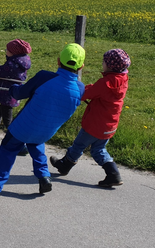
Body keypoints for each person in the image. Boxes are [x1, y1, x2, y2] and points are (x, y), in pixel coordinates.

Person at [0, 43, 85, 197]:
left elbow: (19, 94)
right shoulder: (80, 88)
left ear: (58, 61)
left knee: (7, 151)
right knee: (37, 147)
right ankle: (44, 177)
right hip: (46, 131)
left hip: (22, 127)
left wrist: (12, 88)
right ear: (81, 66)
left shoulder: (44, 77)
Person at [50, 48, 131, 187]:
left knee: (79, 145)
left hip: (95, 124)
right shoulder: (122, 80)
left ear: (110, 65)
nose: (102, 63)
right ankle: (113, 174)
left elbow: (88, 93)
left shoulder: (106, 83)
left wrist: (77, 90)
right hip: (109, 125)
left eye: (104, 62)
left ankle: (64, 165)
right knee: (98, 149)